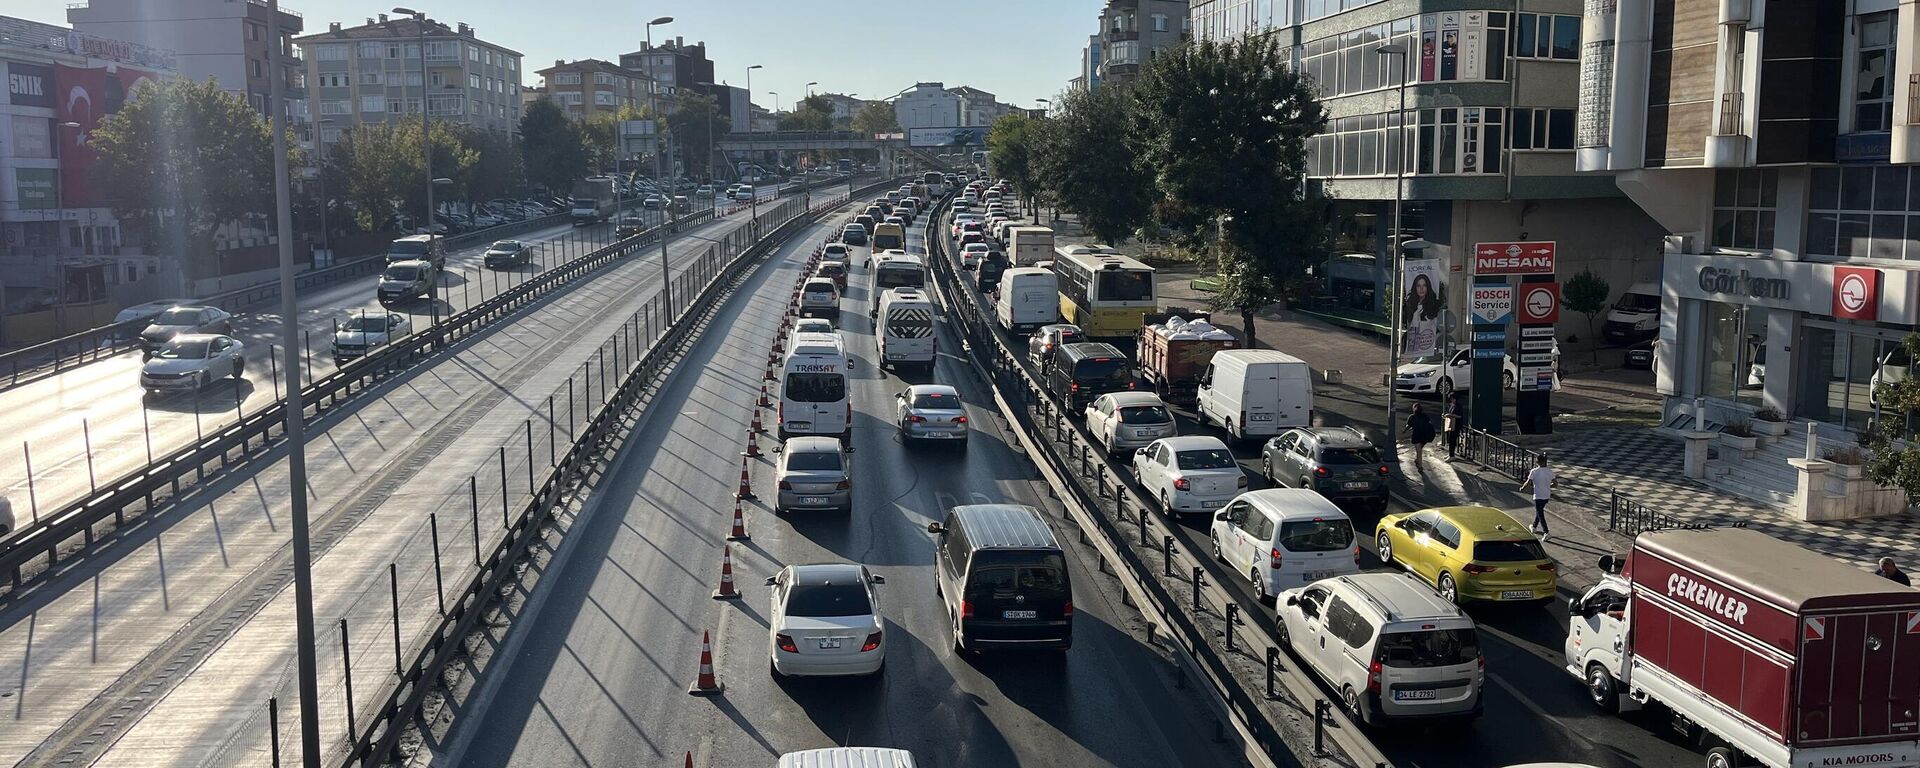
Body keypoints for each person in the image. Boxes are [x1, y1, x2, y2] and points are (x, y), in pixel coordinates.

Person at [1521, 455, 1555, 536]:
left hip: (1538, 495)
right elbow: (1555, 483)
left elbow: (1528, 483)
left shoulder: (1534, 471)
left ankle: (1546, 532)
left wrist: (1522, 488)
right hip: (1546, 495)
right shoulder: (1549, 471)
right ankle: (1534, 526)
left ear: (1537, 462)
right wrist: (1548, 486)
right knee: (1539, 511)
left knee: (1540, 513)